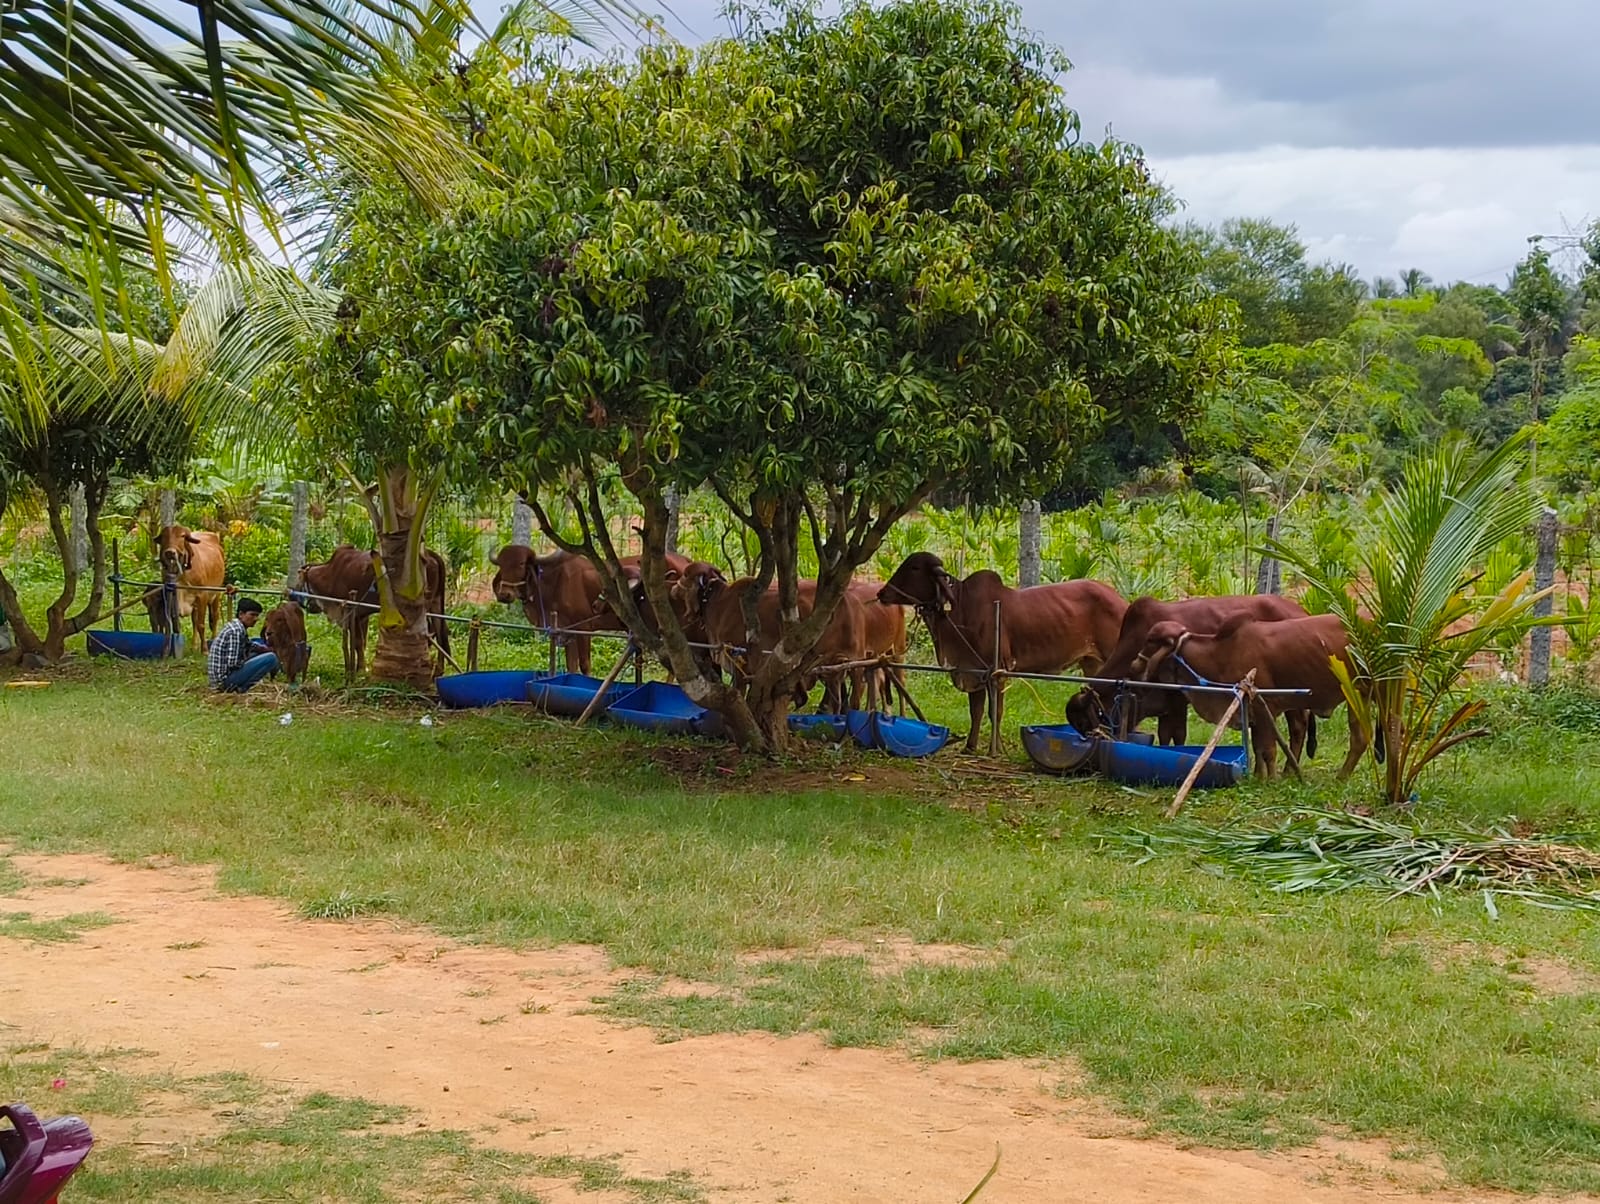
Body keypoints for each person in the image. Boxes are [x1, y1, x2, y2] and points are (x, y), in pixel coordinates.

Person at [207, 597, 277, 693]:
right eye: (252, 615)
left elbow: (249, 645)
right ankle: (243, 688)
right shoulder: (236, 631)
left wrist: (263, 649)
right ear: (241, 614)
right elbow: (233, 663)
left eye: (257, 615)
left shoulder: (237, 626)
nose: (256, 619)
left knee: (259, 652)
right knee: (271, 658)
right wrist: (249, 662)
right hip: (224, 681)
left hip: (224, 676)